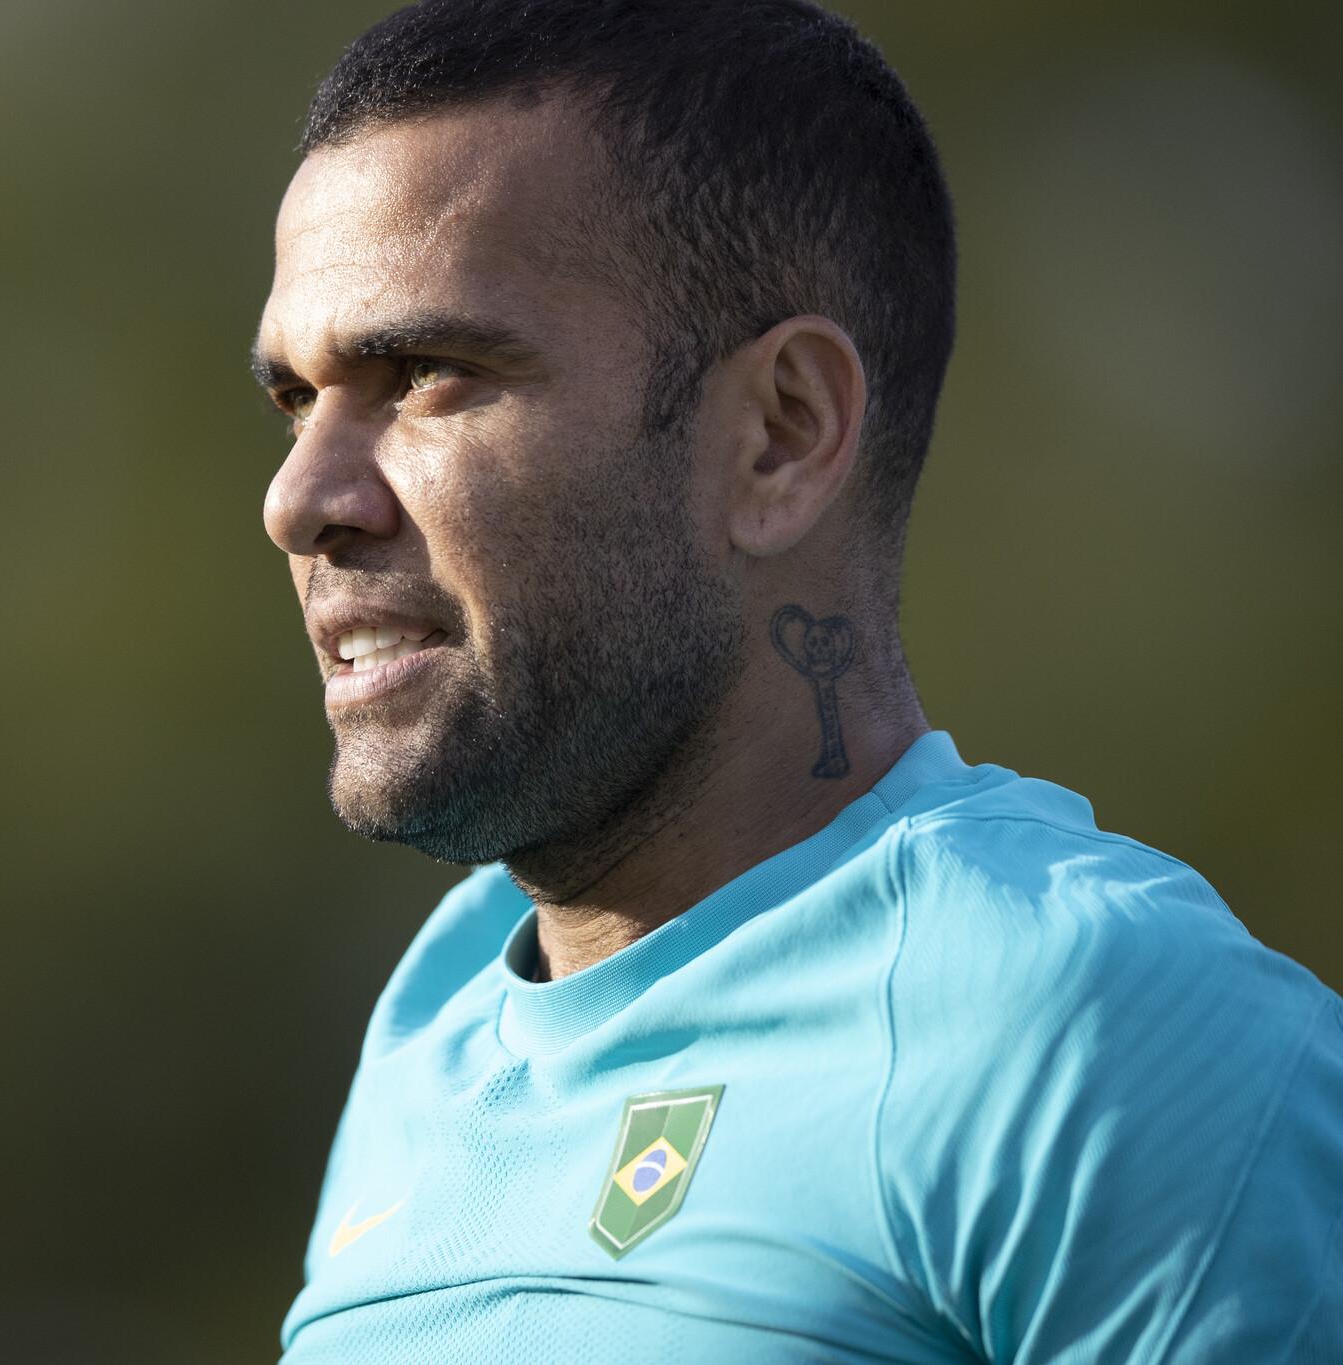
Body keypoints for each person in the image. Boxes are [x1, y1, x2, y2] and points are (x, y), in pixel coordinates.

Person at [248, 1, 1343, 1360]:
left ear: (782, 433)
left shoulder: (1098, 1029)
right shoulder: (434, 1021)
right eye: (295, 400)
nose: (300, 499)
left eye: (426, 374)